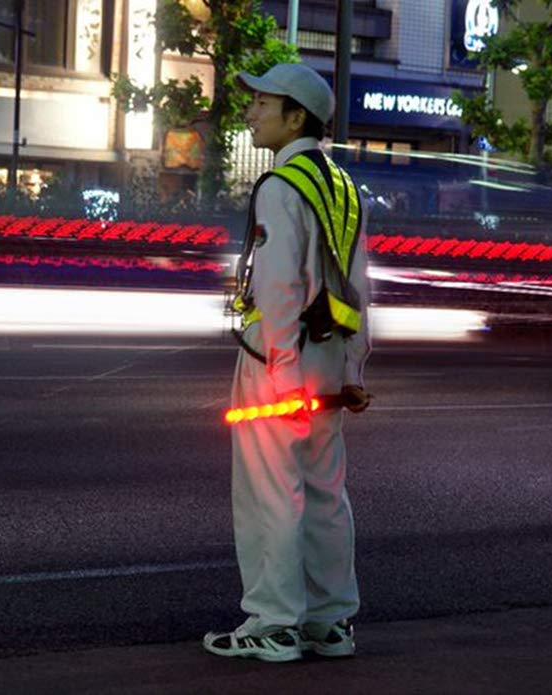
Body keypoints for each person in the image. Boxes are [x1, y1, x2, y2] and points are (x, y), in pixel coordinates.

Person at [203, 63, 371, 663]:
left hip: (281, 362)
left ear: (296, 116)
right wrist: (354, 369)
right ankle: (331, 622)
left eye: (262, 103)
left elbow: (276, 288)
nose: (250, 112)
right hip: (328, 358)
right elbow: (356, 287)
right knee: (327, 493)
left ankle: (273, 624)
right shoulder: (344, 188)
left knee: (269, 494)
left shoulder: (280, 187)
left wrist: (279, 372)